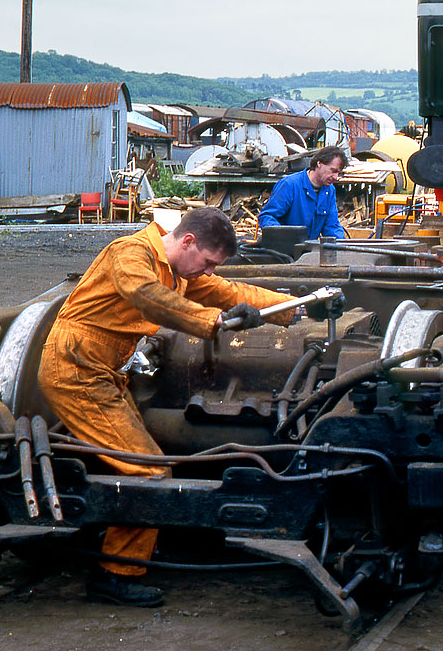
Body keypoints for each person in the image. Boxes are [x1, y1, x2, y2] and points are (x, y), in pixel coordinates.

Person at [37, 207, 295, 607]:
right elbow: (148, 299)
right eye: (208, 262)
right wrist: (215, 322)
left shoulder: (179, 271)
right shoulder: (131, 253)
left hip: (105, 372)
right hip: (75, 370)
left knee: (134, 457)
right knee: (150, 468)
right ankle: (116, 574)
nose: (208, 272)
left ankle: (139, 537)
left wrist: (295, 306)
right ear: (188, 241)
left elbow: (231, 293)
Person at [258, 145, 348, 240]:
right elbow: (267, 216)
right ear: (319, 163)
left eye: (338, 173)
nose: (335, 177)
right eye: (333, 170)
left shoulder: (329, 191)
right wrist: (282, 237)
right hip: (282, 251)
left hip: (309, 251)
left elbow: (331, 227)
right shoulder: (290, 185)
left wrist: (344, 246)